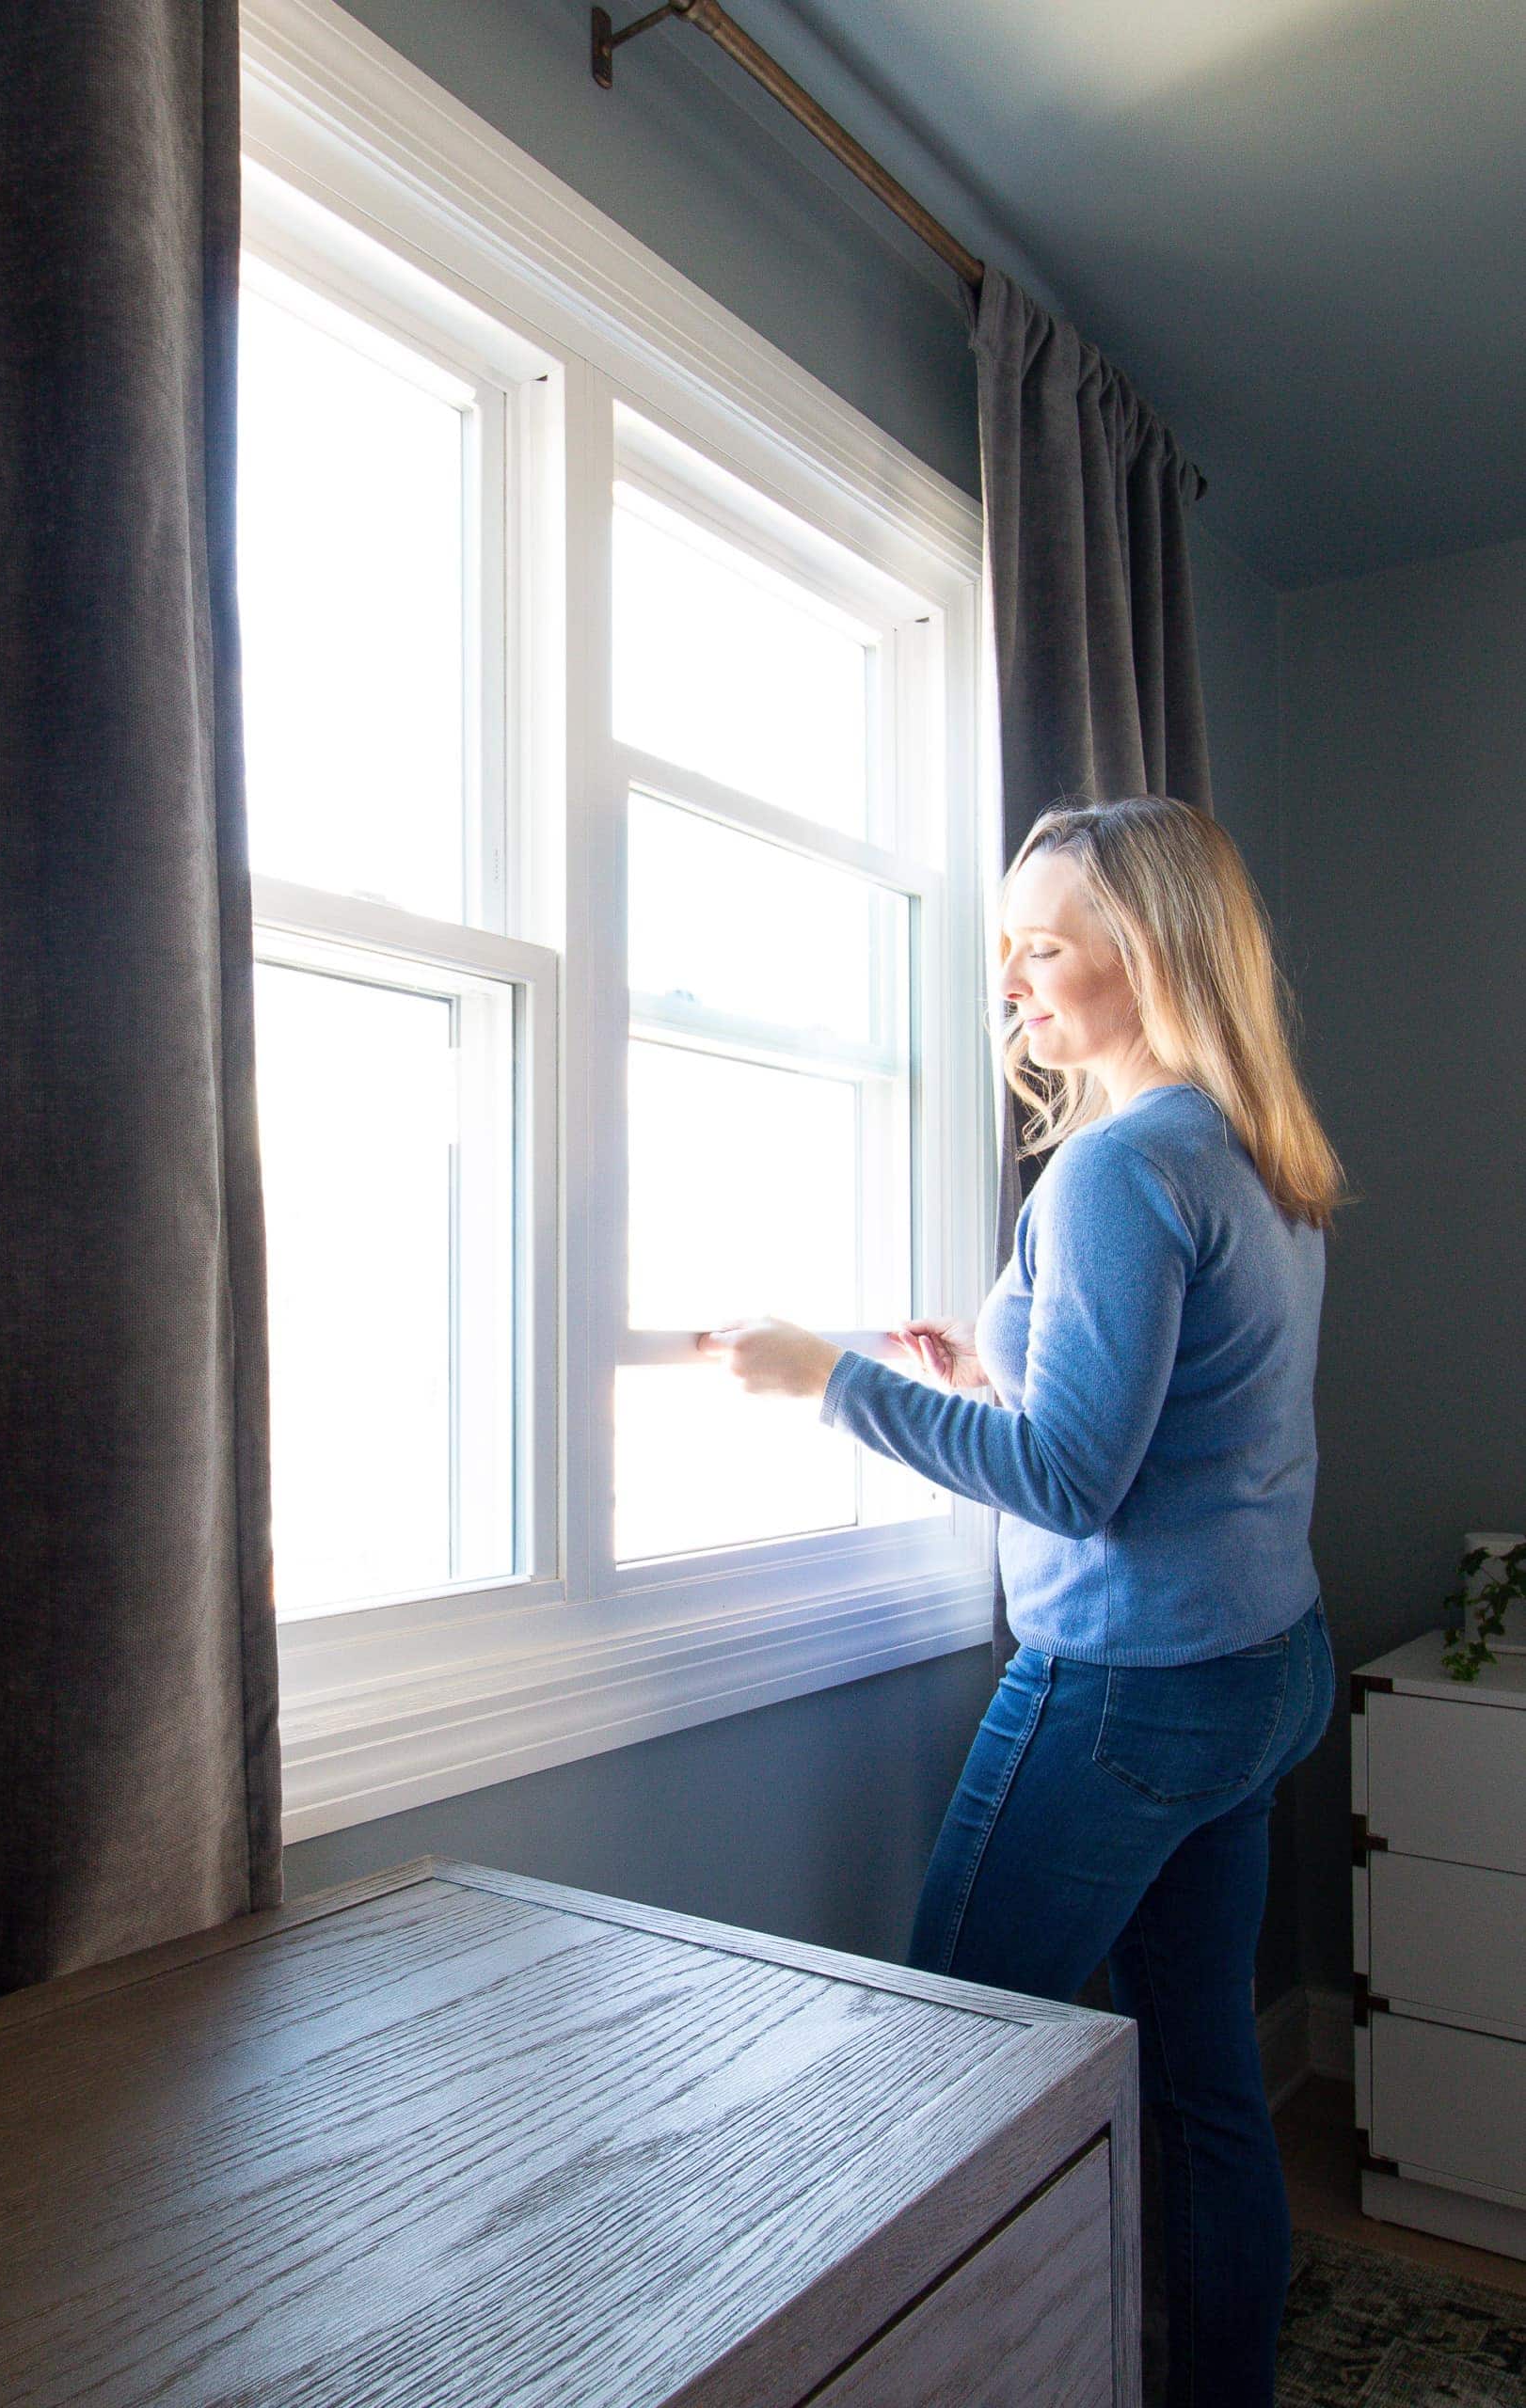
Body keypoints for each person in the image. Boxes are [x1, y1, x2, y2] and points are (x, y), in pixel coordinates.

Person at [697, 792, 1345, 2408]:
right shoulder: (1248, 1143)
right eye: (1006, 951)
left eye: (1041, 950)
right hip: (1262, 1668)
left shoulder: (1118, 1173)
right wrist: (989, 1369)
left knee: (942, 2065)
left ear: (1151, 951)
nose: (1012, 986)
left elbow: (1072, 1483)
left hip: (1131, 1689)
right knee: (1201, 2084)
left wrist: (827, 1378)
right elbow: (1191, 1416)